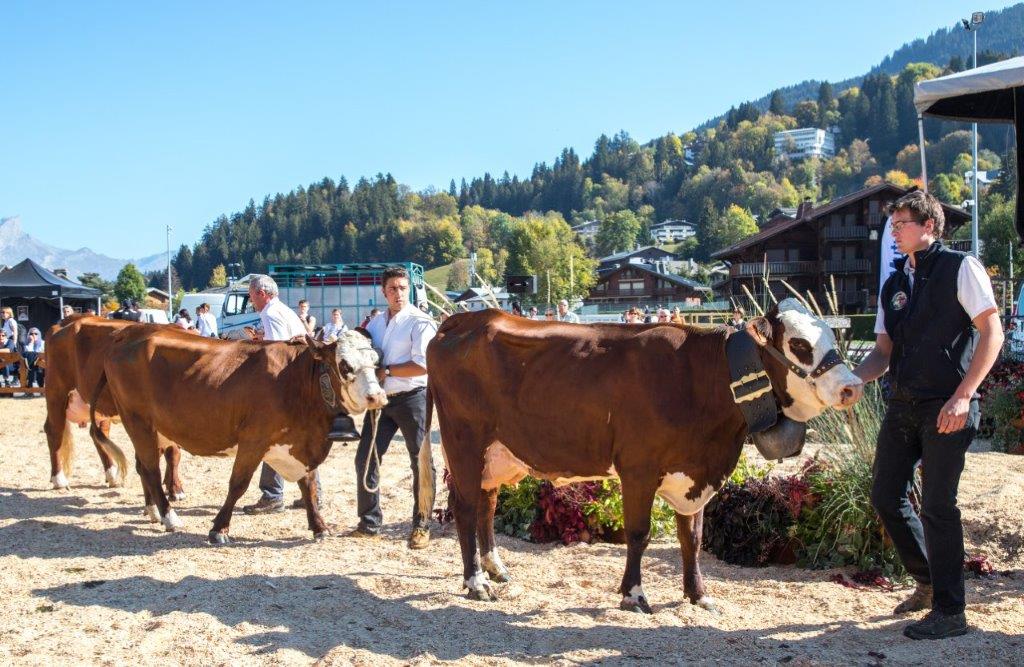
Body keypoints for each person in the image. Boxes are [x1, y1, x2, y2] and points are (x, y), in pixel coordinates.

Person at [853, 191, 1002, 641]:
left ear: (929, 226)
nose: (894, 231)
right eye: (893, 224)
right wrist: (854, 380)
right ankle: (929, 580)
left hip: (948, 405)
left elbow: (992, 331)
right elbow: (883, 352)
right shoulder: (894, 283)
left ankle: (951, 611)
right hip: (902, 403)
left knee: (938, 507)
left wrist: (964, 395)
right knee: (885, 496)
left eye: (901, 222)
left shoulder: (961, 267)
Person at [241, 275, 358, 514]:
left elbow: (275, 353)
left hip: (285, 384)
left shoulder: (270, 313)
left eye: (252, 294)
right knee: (296, 441)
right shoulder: (282, 310)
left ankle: (272, 494)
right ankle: (312, 494)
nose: (250, 299)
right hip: (301, 381)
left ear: (262, 293)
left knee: (272, 439)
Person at [352, 266, 437, 549]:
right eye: (393, 289)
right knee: (365, 459)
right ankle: (369, 522)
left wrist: (386, 371)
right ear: (383, 291)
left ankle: (422, 525)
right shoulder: (376, 323)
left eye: (402, 288)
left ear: (408, 289)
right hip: (381, 400)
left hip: (413, 396)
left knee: (421, 461)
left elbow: (423, 364)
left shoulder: (420, 321)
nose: (398, 293)